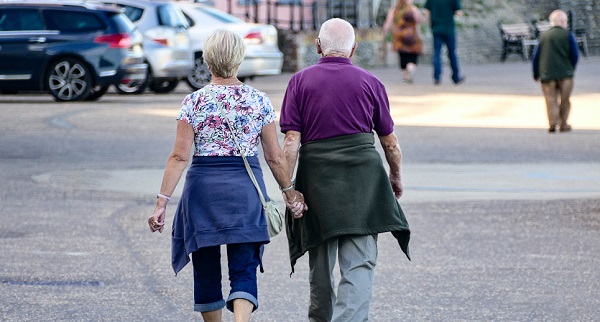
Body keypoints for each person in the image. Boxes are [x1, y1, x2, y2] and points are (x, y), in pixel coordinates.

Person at [147, 29, 306, 322]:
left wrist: (161, 202)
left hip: (202, 194)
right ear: (239, 59)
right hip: (245, 192)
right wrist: (289, 192)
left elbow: (180, 156)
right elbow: (274, 156)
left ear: (208, 60)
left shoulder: (193, 102)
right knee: (244, 267)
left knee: (205, 268)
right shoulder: (259, 100)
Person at [280, 18, 411, 322]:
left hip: (317, 182)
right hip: (363, 183)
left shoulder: (299, 82)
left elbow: (290, 142)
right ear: (354, 49)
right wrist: (394, 176)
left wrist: (289, 189)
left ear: (318, 47)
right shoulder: (371, 83)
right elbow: (390, 143)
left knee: (321, 266)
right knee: (359, 264)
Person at [532, 9, 579, 133]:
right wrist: (571, 68)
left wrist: (536, 73)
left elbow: (536, 57)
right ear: (563, 21)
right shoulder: (568, 35)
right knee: (565, 100)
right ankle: (563, 123)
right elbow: (574, 55)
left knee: (550, 99)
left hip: (547, 74)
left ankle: (553, 123)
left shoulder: (543, 36)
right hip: (566, 74)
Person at [423, 0, 466, 85]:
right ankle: (456, 77)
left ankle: (437, 77)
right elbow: (459, 12)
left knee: (437, 53)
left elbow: (426, 11)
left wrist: (430, 24)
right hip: (449, 29)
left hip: (436, 29)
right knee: (452, 53)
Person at [383, 0, 424, 83]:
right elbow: (419, 20)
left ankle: (405, 76)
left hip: (399, 36)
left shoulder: (394, 10)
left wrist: (385, 34)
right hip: (412, 35)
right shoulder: (412, 9)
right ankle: (411, 68)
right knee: (413, 54)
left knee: (402, 56)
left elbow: (388, 24)